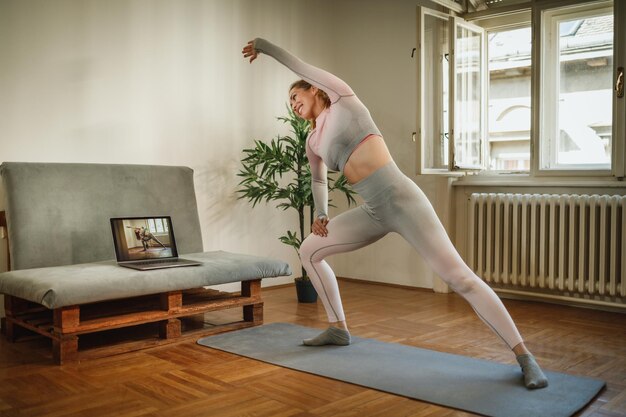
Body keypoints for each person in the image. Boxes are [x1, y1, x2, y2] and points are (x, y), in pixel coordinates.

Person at [242, 38, 548, 389]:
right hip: (372, 210)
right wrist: (322, 213)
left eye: (296, 97)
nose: (293, 105)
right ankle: (338, 328)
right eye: (289, 104)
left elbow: (298, 64)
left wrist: (264, 47)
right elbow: (317, 178)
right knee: (309, 250)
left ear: (314, 90)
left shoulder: (343, 99)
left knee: (459, 277)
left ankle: (525, 357)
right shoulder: (312, 141)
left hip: (403, 200)